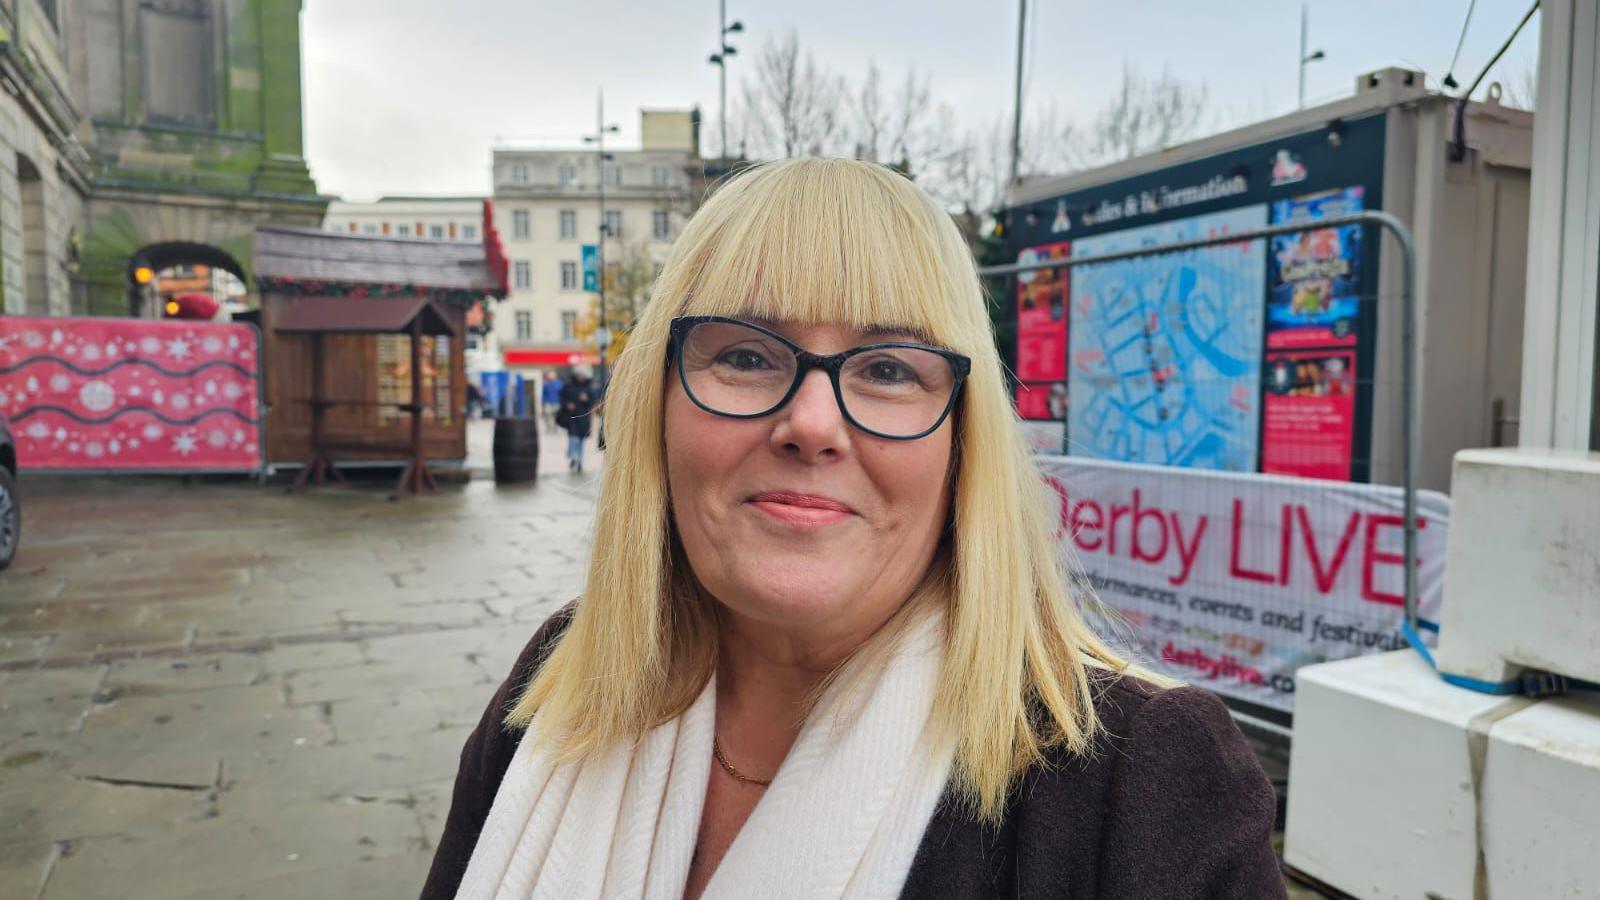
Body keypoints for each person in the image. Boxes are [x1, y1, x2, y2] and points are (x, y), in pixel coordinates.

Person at [423, 159, 1283, 899]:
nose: (812, 423)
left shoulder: (1145, 781)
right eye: (746, 355)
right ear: (658, 406)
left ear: (964, 438)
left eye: (886, 369)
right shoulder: (560, 681)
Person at [558, 365, 596, 473]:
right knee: (573, 439)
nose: (580, 377)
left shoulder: (588, 387)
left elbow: (593, 401)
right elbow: (562, 398)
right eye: (579, 374)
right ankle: (573, 457)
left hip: (584, 418)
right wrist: (567, 405)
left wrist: (586, 399)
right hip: (572, 417)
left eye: (582, 375)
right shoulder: (568, 385)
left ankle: (580, 461)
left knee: (581, 441)